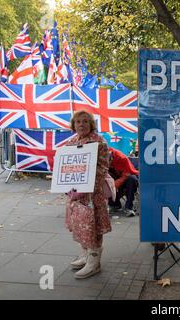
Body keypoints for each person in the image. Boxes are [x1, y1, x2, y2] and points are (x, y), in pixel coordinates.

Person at [65, 110, 111, 279]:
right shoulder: (71, 142)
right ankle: (85, 255)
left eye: (85, 121)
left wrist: (86, 185)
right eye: (78, 122)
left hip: (92, 195)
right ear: (73, 125)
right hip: (75, 195)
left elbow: (103, 167)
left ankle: (94, 261)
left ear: (91, 124)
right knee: (79, 225)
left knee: (93, 227)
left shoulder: (99, 142)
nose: (81, 124)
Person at [108, 147, 139, 217]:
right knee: (106, 181)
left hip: (127, 175)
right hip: (114, 175)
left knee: (132, 180)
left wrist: (118, 182)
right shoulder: (101, 156)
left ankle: (129, 207)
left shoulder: (121, 158)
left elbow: (128, 173)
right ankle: (114, 205)